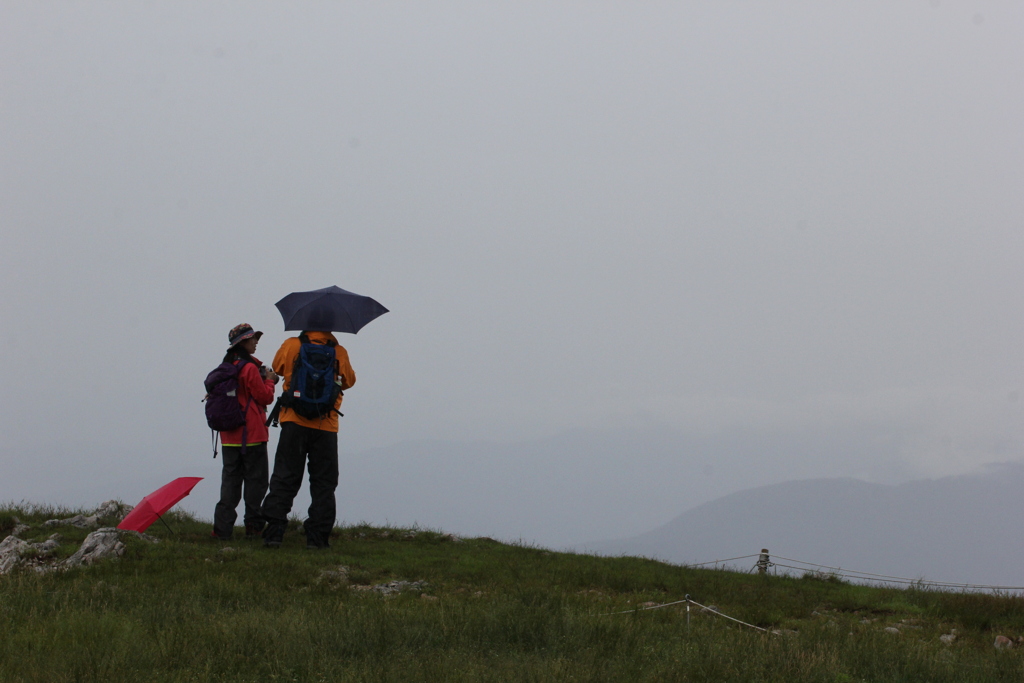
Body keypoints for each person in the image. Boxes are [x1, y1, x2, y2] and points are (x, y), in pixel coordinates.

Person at [260, 330, 355, 549]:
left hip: (293, 421)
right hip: (326, 425)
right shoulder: (338, 351)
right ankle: (318, 538)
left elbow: (278, 367)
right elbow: (349, 381)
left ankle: (274, 533)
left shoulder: (292, 344)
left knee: (285, 477)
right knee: (324, 483)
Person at [211, 324, 279, 541]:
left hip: (229, 436)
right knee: (255, 484)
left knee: (230, 484)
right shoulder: (250, 368)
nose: (256, 342)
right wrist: (270, 380)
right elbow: (264, 397)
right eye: (252, 339)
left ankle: (221, 531)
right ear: (242, 342)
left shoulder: (227, 366)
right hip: (252, 435)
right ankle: (253, 527)